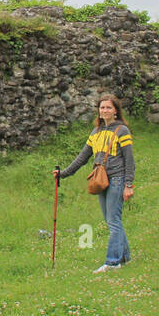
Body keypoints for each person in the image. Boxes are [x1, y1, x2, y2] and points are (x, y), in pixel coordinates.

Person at [52, 95, 134, 273]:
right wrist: (63, 174)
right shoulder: (95, 132)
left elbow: (129, 160)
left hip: (117, 179)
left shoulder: (122, 131)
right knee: (111, 220)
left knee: (113, 221)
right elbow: (83, 157)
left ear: (116, 111)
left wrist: (128, 185)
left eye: (108, 108)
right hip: (100, 179)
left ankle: (112, 263)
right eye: (102, 107)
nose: (105, 110)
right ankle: (125, 257)